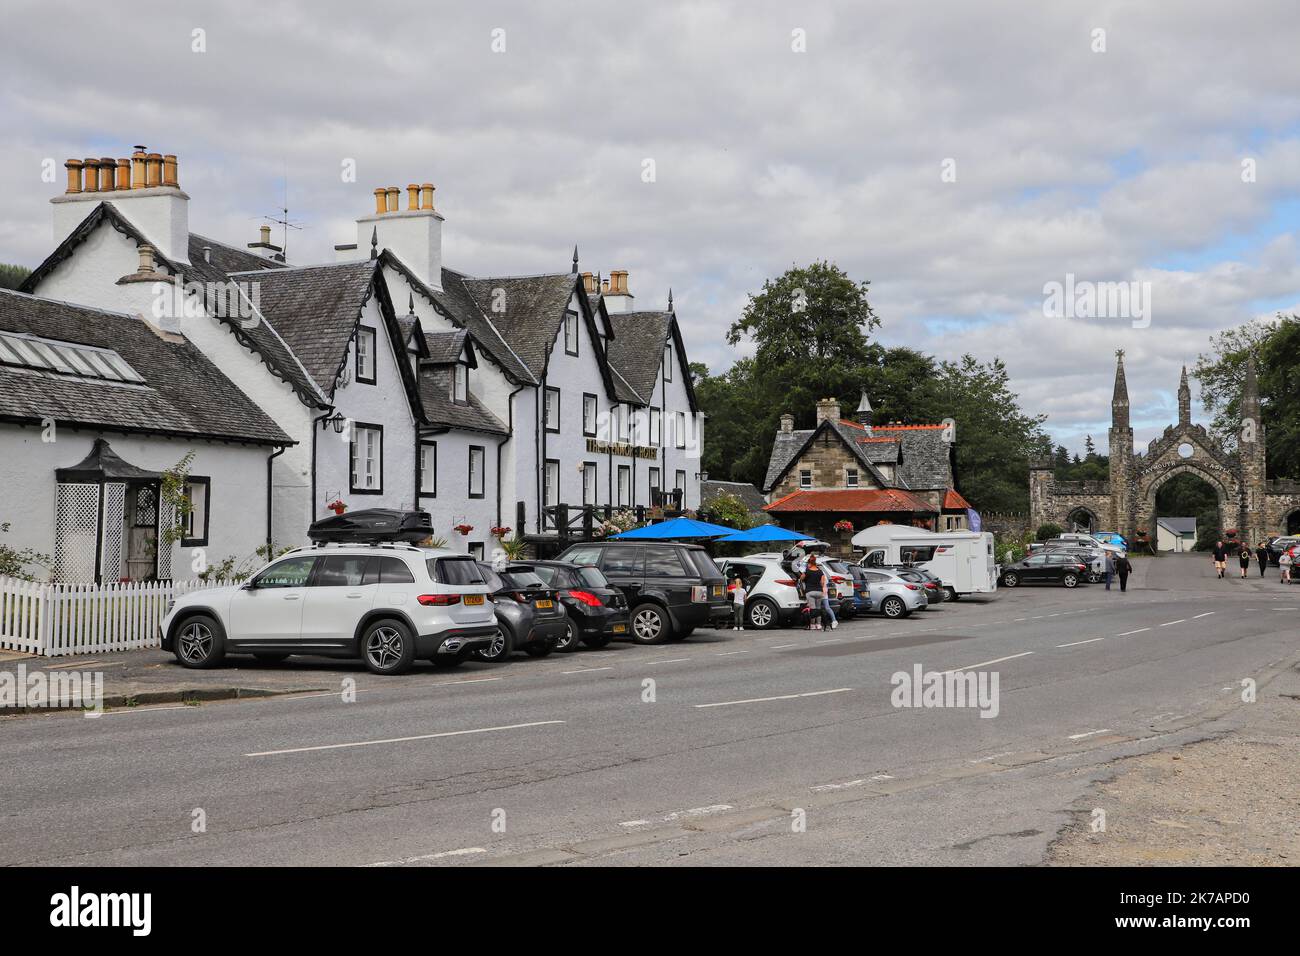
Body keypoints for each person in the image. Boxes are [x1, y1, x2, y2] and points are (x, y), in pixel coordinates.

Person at [801, 556, 827, 631]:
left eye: (808, 564)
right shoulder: (820, 571)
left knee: (812, 609)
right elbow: (822, 582)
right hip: (819, 592)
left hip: (810, 592)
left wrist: (804, 574)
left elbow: (801, 578)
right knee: (818, 609)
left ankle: (812, 625)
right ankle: (818, 625)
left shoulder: (807, 571)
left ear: (810, 563)